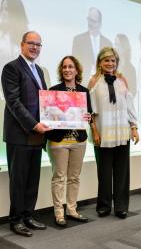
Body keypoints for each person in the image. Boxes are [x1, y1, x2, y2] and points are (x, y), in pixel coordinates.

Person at [1, 31, 50, 237]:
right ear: (21, 45)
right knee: (19, 180)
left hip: (37, 134)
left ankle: (28, 215)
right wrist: (33, 125)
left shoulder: (38, 69)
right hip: (20, 134)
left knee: (32, 179)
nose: (35, 47)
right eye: (31, 43)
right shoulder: (11, 68)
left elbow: (45, 101)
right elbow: (14, 102)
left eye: (39, 44)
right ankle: (16, 220)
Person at [88, 47, 139, 220]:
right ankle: (103, 206)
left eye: (113, 60)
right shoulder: (94, 81)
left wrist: (134, 127)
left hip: (122, 132)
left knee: (122, 172)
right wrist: (94, 131)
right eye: (106, 60)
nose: (110, 63)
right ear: (100, 63)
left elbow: (129, 104)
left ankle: (121, 206)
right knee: (104, 173)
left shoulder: (122, 79)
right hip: (102, 134)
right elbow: (90, 110)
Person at [46, 56, 92, 227]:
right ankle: (59, 213)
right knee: (59, 177)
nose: (67, 70)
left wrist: (88, 117)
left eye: (70, 67)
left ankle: (71, 209)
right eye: (64, 67)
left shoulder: (84, 91)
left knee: (74, 177)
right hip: (59, 141)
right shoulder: (54, 91)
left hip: (79, 140)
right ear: (61, 70)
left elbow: (89, 115)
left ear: (76, 70)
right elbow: (48, 115)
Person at [0, 0, 29, 100]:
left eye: (7, 9)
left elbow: (34, 66)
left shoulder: (27, 33)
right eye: (2, 8)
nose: (3, 12)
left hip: (23, 94)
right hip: (1, 95)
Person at [72, 7, 112, 86]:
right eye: (89, 19)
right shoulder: (78, 40)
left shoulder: (108, 43)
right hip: (83, 84)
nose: (90, 23)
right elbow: (74, 64)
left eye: (93, 21)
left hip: (103, 86)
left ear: (100, 23)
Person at [115, 33, 137, 98]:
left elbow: (133, 92)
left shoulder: (131, 69)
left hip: (124, 105)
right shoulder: (111, 65)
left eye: (119, 45)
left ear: (125, 47)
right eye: (115, 44)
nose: (116, 47)